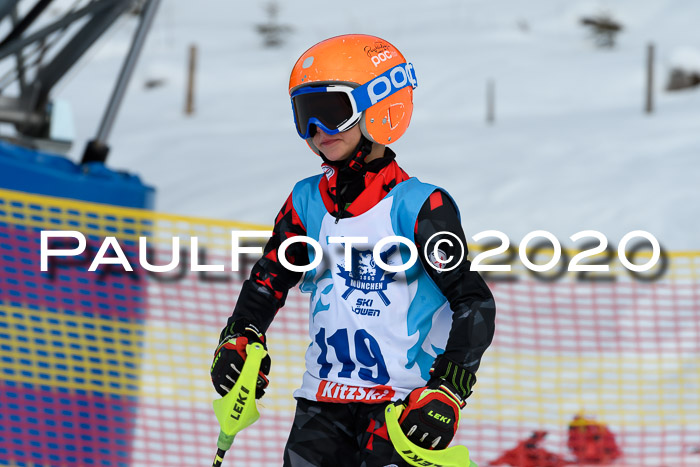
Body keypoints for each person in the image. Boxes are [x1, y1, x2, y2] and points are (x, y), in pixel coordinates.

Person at [210, 34, 496, 466]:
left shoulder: (420, 206)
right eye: (305, 116)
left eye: (331, 113)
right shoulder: (306, 201)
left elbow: (474, 303)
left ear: (380, 109)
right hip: (321, 404)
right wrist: (240, 335)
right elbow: (268, 280)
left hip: (400, 410)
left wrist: (448, 390)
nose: (317, 131)